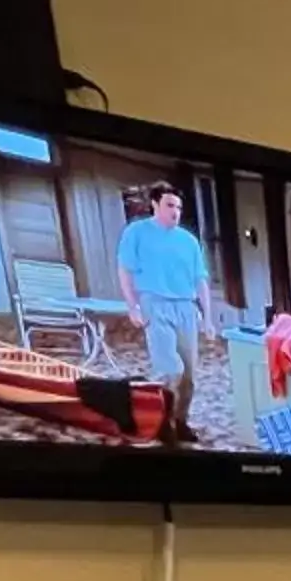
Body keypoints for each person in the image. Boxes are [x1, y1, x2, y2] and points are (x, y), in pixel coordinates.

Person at [114, 182, 218, 443]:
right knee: (171, 369)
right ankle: (162, 421)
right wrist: (133, 306)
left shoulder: (189, 241)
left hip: (185, 307)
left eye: (179, 207)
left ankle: (180, 420)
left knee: (189, 375)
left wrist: (208, 317)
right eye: (170, 205)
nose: (176, 212)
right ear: (155, 204)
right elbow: (125, 270)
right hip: (155, 303)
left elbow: (200, 279)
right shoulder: (136, 232)